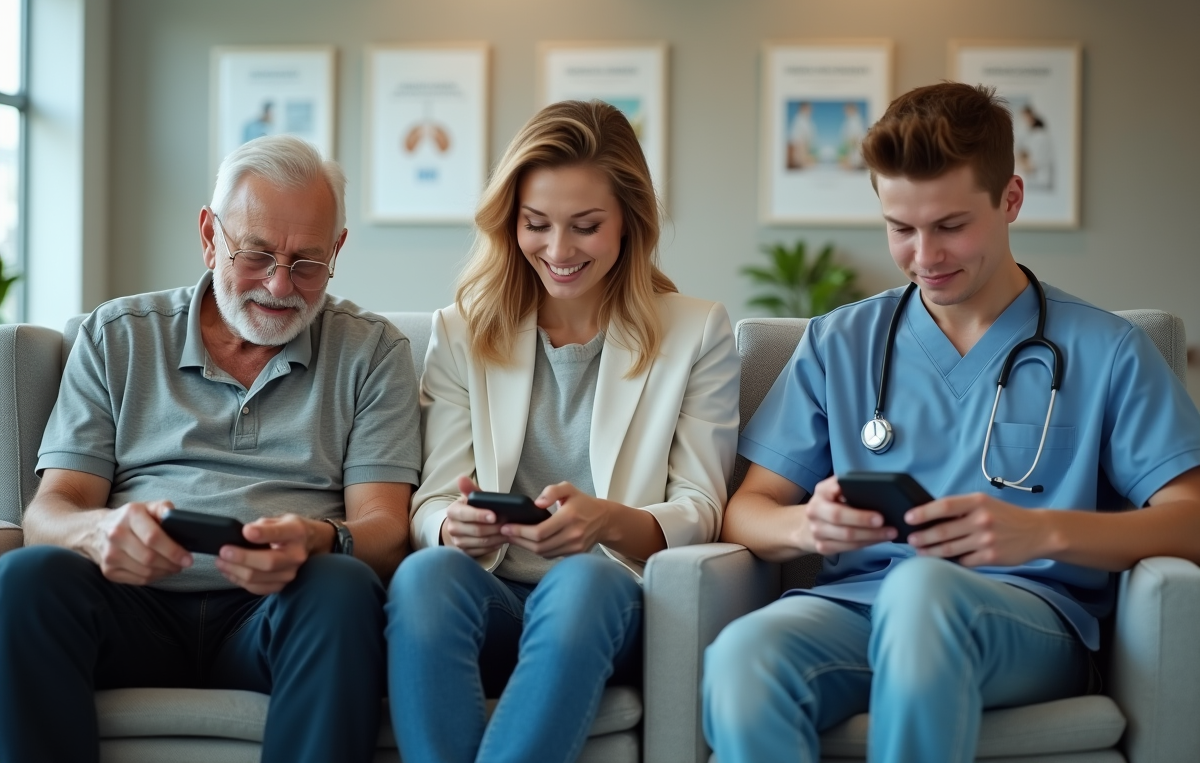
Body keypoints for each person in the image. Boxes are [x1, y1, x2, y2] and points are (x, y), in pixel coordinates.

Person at [702, 82, 1200, 763]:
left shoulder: (1107, 350)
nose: (924, 257)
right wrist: (804, 525)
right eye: (900, 229)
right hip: (860, 607)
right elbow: (747, 510)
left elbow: (1191, 517)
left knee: (922, 590)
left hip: (1028, 617)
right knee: (744, 655)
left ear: (1011, 200)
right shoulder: (838, 342)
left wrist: (1043, 530)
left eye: (950, 226)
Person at [0, 135, 421, 763]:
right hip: (127, 604)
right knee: (27, 577)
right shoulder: (117, 336)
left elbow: (385, 527)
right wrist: (99, 532)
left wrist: (319, 539)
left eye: (307, 262)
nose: (280, 286)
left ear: (337, 250)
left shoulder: (372, 351)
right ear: (209, 234)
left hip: (279, 611)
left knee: (341, 587)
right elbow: (51, 509)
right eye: (255, 254)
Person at [387, 99, 740, 763]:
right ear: (509, 222)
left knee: (584, 582)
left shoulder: (696, 332)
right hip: (492, 590)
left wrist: (604, 521)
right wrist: (449, 526)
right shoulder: (462, 331)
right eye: (536, 224)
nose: (558, 250)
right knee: (425, 576)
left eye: (585, 226)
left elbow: (701, 510)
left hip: (608, 600)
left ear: (629, 224)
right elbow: (432, 502)